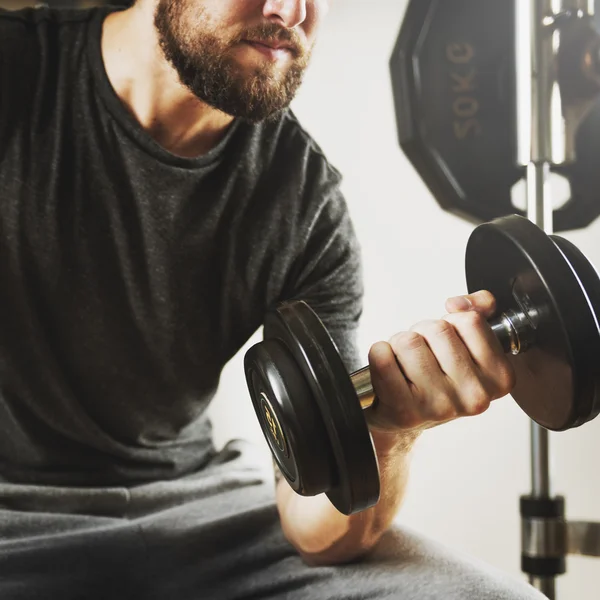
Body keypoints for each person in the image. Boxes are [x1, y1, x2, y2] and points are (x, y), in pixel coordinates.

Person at [0, 1, 546, 598]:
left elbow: (317, 532)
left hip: (199, 513)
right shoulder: (19, 69)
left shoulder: (305, 206)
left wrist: (391, 432)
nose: (291, 11)